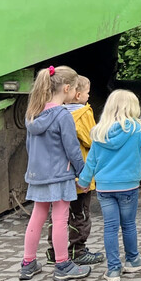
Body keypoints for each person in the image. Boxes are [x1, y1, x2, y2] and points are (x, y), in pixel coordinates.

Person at [77, 90, 141, 281]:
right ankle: (133, 260)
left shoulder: (99, 132)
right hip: (128, 187)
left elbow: (91, 161)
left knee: (110, 227)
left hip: (105, 188)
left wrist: (83, 182)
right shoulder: (135, 129)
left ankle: (113, 269)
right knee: (128, 225)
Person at [18, 65, 90, 281]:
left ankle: (28, 263)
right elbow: (72, 149)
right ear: (66, 88)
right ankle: (63, 264)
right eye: (75, 89)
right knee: (60, 218)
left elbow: (30, 148)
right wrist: (83, 173)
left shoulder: (33, 113)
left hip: (37, 174)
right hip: (60, 175)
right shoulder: (62, 116)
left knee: (37, 216)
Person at [47, 74, 102, 267]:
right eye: (87, 92)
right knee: (80, 215)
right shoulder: (83, 113)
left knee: (59, 215)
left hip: (60, 173)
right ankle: (77, 250)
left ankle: (54, 251)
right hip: (80, 175)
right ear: (78, 94)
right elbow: (90, 139)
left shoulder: (55, 111)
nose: (89, 96)